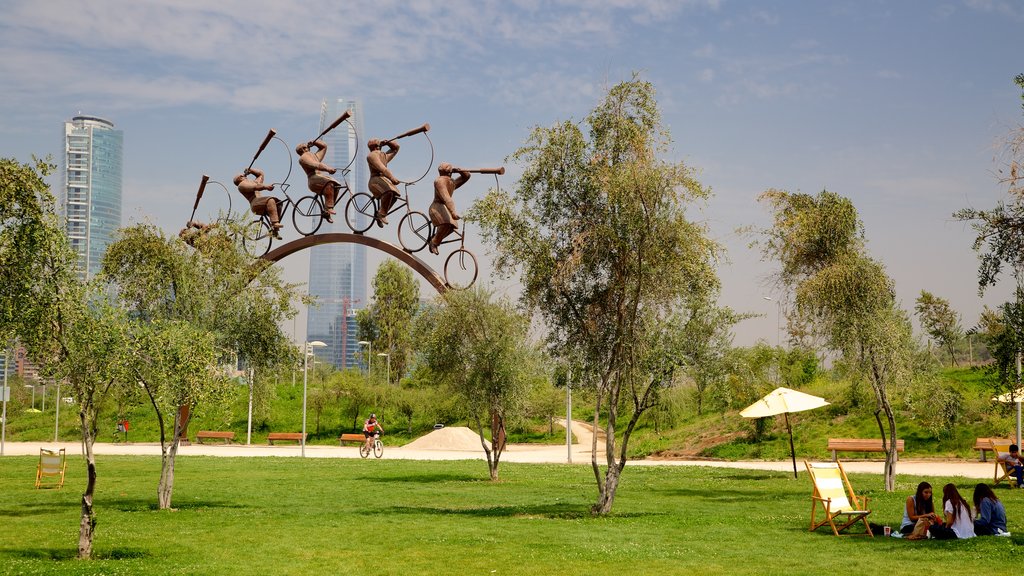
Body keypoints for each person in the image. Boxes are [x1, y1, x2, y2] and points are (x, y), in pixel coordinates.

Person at [428, 163, 470, 254]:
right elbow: (447, 198)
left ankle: (435, 239)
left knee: (452, 227)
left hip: (444, 207)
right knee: (447, 223)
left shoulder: (451, 182)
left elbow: (466, 177)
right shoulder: (440, 181)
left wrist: (461, 171)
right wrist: (453, 212)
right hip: (437, 207)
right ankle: (434, 243)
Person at [296, 139, 340, 223]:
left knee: (336, 186)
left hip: (320, 177)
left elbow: (324, 146)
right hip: (313, 179)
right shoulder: (303, 158)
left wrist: (314, 142)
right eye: (305, 147)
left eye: (307, 147)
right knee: (329, 183)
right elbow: (316, 164)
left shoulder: (314, 156)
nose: (307, 148)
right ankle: (329, 207)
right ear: (302, 150)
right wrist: (328, 169)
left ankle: (327, 212)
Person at [233, 167, 281, 237]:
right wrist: (266, 187)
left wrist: (251, 170)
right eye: (241, 176)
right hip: (255, 203)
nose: (244, 175)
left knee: (278, 203)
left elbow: (260, 175)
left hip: (261, 201)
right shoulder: (241, 185)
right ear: (239, 179)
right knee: (270, 200)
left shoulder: (252, 182)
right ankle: (275, 223)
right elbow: (255, 187)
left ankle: (275, 229)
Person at [366, 138, 400, 227]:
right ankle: (381, 214)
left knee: (394, 195)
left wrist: (388, 142)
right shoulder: (372, 155)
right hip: (375, 181)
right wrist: (392, 178)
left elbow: (396, 148)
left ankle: (381, 212)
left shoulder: (382, 155)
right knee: (389, 192)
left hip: (382, 180)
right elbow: (382, 168)